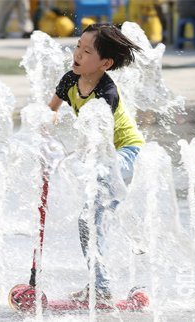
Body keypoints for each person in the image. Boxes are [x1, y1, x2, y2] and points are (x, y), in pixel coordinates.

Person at [47, 23, 145, 304]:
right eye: (78, 46)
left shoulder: (107, 93)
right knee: (90, 221)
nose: (77, 53)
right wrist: (45, 125)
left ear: (105, 63)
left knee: (89, 220)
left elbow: (98, 142)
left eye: (86, 51)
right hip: (105, 158)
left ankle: (101, 288)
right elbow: (51, 108)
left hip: (125, 154)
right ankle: (99, 285)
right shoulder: (70, 80)